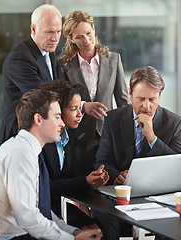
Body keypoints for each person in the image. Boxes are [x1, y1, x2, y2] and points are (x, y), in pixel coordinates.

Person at [0, 89, 101, 240]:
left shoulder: (27, 150)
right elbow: (28, 217)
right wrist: (72, 239)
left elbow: (41, 210)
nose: (62, 123)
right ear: (38, 119)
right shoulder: (20, 153)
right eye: (57, 117)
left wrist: (73, 232)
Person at [58, 10, 130, 176]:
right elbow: (61, 103)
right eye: (79, 37)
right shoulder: (63, 66)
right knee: (82, 189)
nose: (86, 40)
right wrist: (83, 106)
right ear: (71, 39)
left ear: (94, 30)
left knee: (109, 185)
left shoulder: (114, 60)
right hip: (78, 139)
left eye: (89, 33)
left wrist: (127, 138)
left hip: (109, 136)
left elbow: (123, 102)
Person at [94, 65, 181, 185]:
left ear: (159, 96)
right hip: (122, 190)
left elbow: (178, 167)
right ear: (130, 94)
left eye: (152, 100)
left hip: (158, 189)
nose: (146, 106)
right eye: (141, 99)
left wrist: (152, 138)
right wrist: (117, 177)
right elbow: (102, 161)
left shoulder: (175, 123)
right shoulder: (113, 119)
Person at [40, 80, 108, 232]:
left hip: (60, 206)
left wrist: (93, 180)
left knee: (100, 227)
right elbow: (45, 187)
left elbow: (71, 178)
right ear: (57, 110)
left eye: (79, 109)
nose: (79, 114)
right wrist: (85, 181)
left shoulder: (67, 137)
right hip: (43, 209)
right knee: (92, 230)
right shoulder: (43, 142)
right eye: (73, 109)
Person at [0, 4, 62, 146]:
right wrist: (80, 106)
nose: (55, 38)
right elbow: (43, 96)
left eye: (58, 31)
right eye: (50, 32)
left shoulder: (48, 50)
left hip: (39, 135)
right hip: (20, 137)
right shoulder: (20, 58)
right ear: (33, 29)